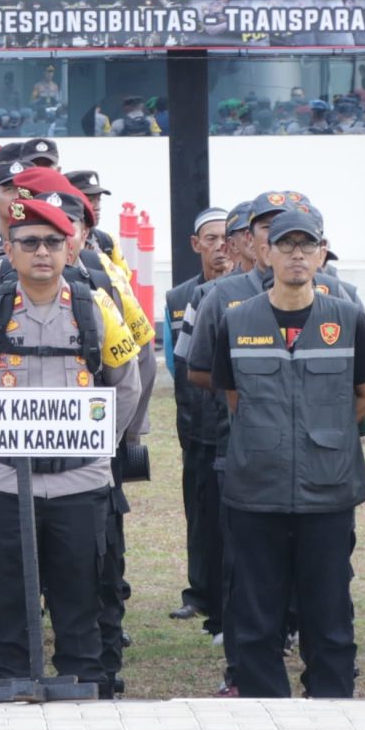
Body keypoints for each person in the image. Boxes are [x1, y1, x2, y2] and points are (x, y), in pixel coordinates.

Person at [0, 196, 139, 695]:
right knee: (5, 596)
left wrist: (95, 445)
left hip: (81, 481)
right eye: (29, 243)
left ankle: (85, 682)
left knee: (82, 595)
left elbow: (126, 384)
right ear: (9, 250)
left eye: (54, 242)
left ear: (71, 250)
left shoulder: (97, 312)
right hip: (5, 481)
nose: (43, 253)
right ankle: (7, 683)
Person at [202, 209, 365, 699]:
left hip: (328, 488)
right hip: (255, 486)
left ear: (322, 254)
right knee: (256, 606)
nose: (297, 255)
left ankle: (331, 697)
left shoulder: (347, 319)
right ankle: (264, 699)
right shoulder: (236, 321)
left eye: (308, 246)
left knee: (328, 606)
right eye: (286, 245)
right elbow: (233, 396)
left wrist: (322, 432)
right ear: (265, 253)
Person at [167, 206, 232, 631]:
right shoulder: (178, 298)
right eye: (211, 238)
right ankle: (199, 592)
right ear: (196, 245)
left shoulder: (247, 294)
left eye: (227, 236)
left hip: (232, 423)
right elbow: (179, 363)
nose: (220, 246)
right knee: (199, 510)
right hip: (195, 421)